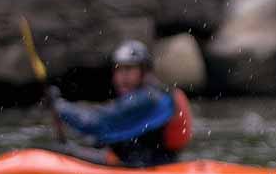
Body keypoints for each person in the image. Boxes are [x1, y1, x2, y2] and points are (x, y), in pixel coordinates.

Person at [49, 40, 193, 167]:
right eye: (118, 69)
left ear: (144, 71)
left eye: (129, 69)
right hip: (138, 162)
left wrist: (59, 106)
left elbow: (95, 122)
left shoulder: (150, 98)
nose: (122, 76)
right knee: (79, 146)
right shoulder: (151, 96)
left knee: (63, 151)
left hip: (147, 166)